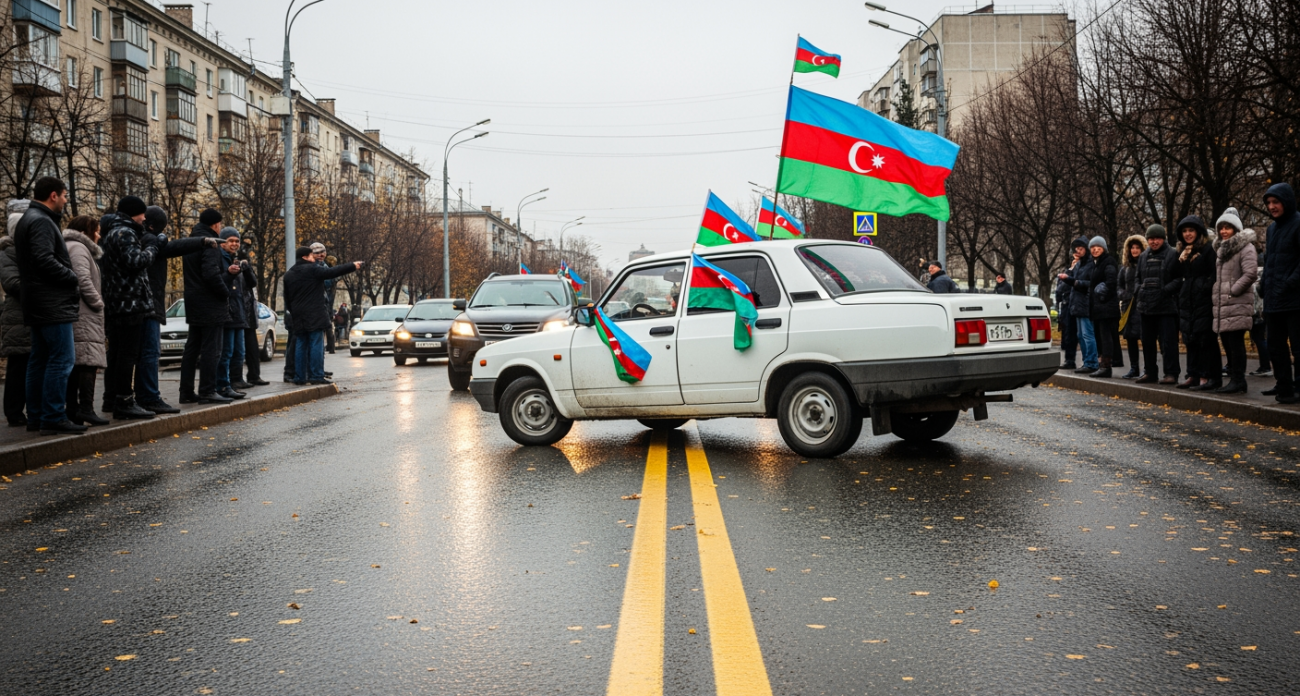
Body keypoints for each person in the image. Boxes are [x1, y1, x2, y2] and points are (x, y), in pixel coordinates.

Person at [116, 205, 215, 415]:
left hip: (135, 305)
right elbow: (174, 247)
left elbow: (175, 246)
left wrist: (200, 241)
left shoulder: (136, 239)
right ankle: (150, 397)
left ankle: (128, 397)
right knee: (150, 353)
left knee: (135, 354)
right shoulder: (150, 240)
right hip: (148, 305)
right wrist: (202, 241)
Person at [13, 177, 84, 435]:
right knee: (62, 359)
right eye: (64, 195)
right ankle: (53, 416)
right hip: (51, 302)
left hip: (37, 301)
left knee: (39, 360)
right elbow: (43, 259)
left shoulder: (28, 218)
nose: (66, 200)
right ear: (53, 195)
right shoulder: (42, 220)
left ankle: (37, 417)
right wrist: (71, 276)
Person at [100, 196, 169, 419]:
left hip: (117, 301)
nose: (143, 218)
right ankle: (124, 401)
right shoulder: (125, 232)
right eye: (141, 214)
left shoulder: (112, 231)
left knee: (120, 353)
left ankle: (117, 399)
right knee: (127, 354)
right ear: (134, 213)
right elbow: (136, 262)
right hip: (129, 302)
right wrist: (151, 248)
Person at [283, 247, 361, 384]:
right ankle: (316, 376)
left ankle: (300, 377)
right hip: (315, 313)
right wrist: (352, 266)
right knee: (316, 344)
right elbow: (332, 272)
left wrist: (294, 311)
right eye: (312, 256)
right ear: (305, 257)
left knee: (300, 344)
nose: (314, 258)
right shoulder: (313, 269)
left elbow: (287, 298)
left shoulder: (289, 274)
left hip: (297, 314)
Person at [179, 209, 232, 404]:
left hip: (193, 301)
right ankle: (208, 390)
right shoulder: (210, 244)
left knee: (192, 348)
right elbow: (211, 274)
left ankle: (186, 391)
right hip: (210, 303)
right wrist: (225, 293)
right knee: (212, 348)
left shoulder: (191, 241)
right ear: (216, 224)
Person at [62, 216, 108, 426]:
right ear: (87, 230)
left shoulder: (73, 246)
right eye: (96, 231)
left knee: (80, 362)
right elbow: (82, 278)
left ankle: (74, 410)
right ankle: (85, 409)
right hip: (84, 314)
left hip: (80, 313)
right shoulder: (79, 248)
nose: (99, 235)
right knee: (87, 361)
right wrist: (98, 302)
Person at [1210, 208, 1258, 394]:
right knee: (1228, 343)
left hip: (1236, 303)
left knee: (1236, 344)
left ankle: (1239, 380)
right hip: (1225, 305)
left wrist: (1233, 291)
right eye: (1221, 228)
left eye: (1227, 227)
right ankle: (1234, 380)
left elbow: (1250, 273)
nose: (1223, 231)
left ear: (1236, 229)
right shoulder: (1222, 250)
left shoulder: (1246, 248)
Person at [1260, 183, 1300, 404]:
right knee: (1275, 345)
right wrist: (1263, 284)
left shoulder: (1298, 223)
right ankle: (1284, 385)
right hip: (1273, 299)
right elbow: (1269, 261)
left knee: (1298, 346)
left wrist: (1290, 283)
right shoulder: (1271, 229)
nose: (1272, 207)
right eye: (1269, 203)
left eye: (1276, 202)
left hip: (1294, 299)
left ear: (1287, 201)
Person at [1175, 215, 1219, 391]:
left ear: (1198, 232)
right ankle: (1192, 374)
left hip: (1203, 299)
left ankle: (1207, 375)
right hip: (1188, 299)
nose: (1187, 234)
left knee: (1205, 339)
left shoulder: (1208, 249)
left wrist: (1204, 287)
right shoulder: (1182, 252)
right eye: (1184, 231)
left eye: (1191, 230)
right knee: (1189, 338)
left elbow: (1214, 273)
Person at [1135, 225, 1183, 385]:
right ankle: (1150, 372)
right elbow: (1137, 277)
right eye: (1151, 239)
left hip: (1166, 307)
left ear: (1163, 239)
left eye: (1157, 238)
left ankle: (1171, 373)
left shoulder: (1173, 254)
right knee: (1147, 342)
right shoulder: (1142, 256)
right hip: (1146, 306)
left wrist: (1164, 291)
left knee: (1168, 342)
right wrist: (1139, 290)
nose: (1154, 241)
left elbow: (1178, 279)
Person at [1, 200, 31, 426]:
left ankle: (28, 408)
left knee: (30, 365)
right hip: (18, 317)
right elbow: (12, 283)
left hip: (30, 315)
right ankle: (13, 412)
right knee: (18, 366)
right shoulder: (8, 252)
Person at [214, 228, 248, 400]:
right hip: (227, 313)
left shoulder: (234, 260)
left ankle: (231, 382)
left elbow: (248, 286)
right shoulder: (220, 258)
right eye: (231, 241)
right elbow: (217, 282)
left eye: (237, 241)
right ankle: (222, 384)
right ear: (223, 242)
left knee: (237, 352)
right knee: (225, 352)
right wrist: (229, 273)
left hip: (237, 312)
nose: (234, 244)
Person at [1078, 237, 1119, 377]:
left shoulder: (1108, 262)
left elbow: (1111, 281)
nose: (1095, 249)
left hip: (1106, 308)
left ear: (1104, 248)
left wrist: (1101, 295)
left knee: (1106, 337)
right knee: (1100, 337)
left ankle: (1106, 366)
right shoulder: (1097, 263)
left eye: (1098, 247)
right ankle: (1102, 364)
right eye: (1093, 247)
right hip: (1099, 308)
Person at [1058, 237, 1097, 373]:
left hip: (1085, 304)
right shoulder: (1078, 265)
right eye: (1076, 250)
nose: (1078, 252)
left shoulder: (1091, 265)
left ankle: (1091, 362)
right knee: (1080, 335)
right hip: (1075, 304)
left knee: (1087, 334)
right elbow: (1062, 287)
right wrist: (1070, 271)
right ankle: (1086, 362)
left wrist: (1075, 282)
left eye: (1081, 249)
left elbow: (1089, 284)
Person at [233, 237, 264, 388]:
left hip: (249, 312)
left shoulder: (246, 269)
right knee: (238, 349)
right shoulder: (232, 266)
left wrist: (247, 267)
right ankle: (237, 378)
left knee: (251, 347)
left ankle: (254, 375)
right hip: (240, 312)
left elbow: (252, 283)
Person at [1117, 235, 1147, 379]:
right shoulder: (1125, 268)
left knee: (1146, 338)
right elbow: (1119, 286)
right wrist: (1124, 294)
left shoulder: (1146, 264)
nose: (1134, 250)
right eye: (1132, 248)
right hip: (1128, 308)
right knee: (1130, 338)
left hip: (1143, 306)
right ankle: (1134, 368)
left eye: (1137, 247)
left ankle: (1148, 369)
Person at [1055, 255, 1078, 370]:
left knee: (1082, 335)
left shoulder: (1081, 272)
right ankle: (1069, 360)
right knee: (1068, 334)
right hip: (1067, 305)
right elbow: (1059, 289)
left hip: (1076, 305)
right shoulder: (1068, 273)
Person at [1250, 265, 1271, 377]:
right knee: (1260, 338)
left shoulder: (1254, 281)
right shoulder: (1263, 276)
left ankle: (1265, 366)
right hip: (1263, 313)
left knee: (1259, 339)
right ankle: (1265, 365)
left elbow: (1255, 300)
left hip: (1257, 315)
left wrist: (1254, 313)